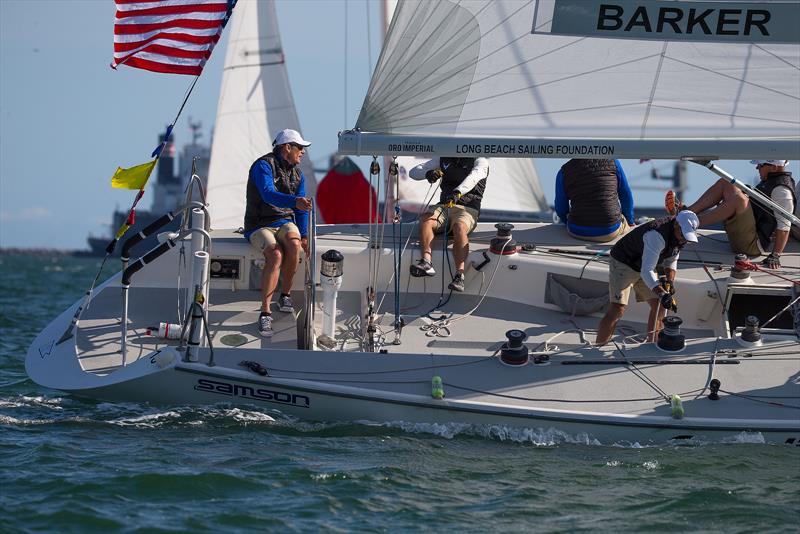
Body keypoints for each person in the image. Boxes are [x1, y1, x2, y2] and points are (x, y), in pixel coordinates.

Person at [244, 129, 312, 337]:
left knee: (294, 244)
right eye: (300, 148)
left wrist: (305, 234)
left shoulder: (297, 175)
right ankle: (265, 312)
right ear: (287, 148)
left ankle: (285, 295)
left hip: (283, 221)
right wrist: (294, 202)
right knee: (275, 255)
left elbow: (301, 207)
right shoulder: (262, 166)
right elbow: (267, 194)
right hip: (258, 224)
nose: (303, 152)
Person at [595, 210, 700, 346]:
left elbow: (672, 259)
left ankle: (652, 344)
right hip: (624, 262)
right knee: (618, 308)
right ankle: (598, 347)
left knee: (660, 306)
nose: (684, 240)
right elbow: (647, 271)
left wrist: (670, 282)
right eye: (683, 235)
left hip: (644, 265)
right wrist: (662, 293)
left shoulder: (680, 237)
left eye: (687, 237)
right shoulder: (656, 235)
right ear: (676, 225)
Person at [666, 160, 795, 269]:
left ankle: (688, 223)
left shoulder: (782, 191)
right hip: (748, 233)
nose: (757, 167)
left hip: (752, 245)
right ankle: (686, 213)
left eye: (761, 165)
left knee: (739, 201)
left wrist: (775, 255)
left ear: (774, 167)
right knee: (727, 182)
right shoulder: (771, 180)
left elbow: (784, 227)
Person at [408, 157, 489, 292]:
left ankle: (459, 275)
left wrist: (457, 192)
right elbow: (413, 172)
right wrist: (428, 174)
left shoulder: (480, 161)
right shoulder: (444, 158)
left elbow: (473, 178)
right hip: (444, 206)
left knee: (459, 228)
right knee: (426, 219)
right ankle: (426, 262)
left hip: (468, 209)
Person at [554, 159, 635, 242]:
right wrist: (630, 221)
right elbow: (626, 196)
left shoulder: (563, 171)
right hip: (610, 231)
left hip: (576, 231)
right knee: (627, 227)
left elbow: (560, 209)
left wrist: (566, 221)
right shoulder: (613, 162)